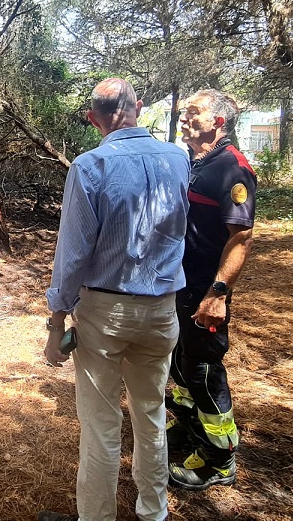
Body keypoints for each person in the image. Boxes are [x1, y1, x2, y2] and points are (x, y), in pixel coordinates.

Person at [37, 78, 190, 521]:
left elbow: (72, 253)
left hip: (105, 311)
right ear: (138, 106)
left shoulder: (90, 166)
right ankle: (153, 512)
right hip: (162, 309)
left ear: (93, 119)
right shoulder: (178, 159)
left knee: (101, 424)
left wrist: (56, 323)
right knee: (151, 412)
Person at [165, 89, 256, 491]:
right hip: (180, 286)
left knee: (203, 372)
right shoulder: (195, 161)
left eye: (194, 113)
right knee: (180, 364)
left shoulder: (232, 168)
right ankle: (191, 430)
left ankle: (219, 458)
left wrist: (218, 293)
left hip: (205, 290)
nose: (185, 119)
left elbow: (241, 237)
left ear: (218, 122)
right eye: (185, 112)